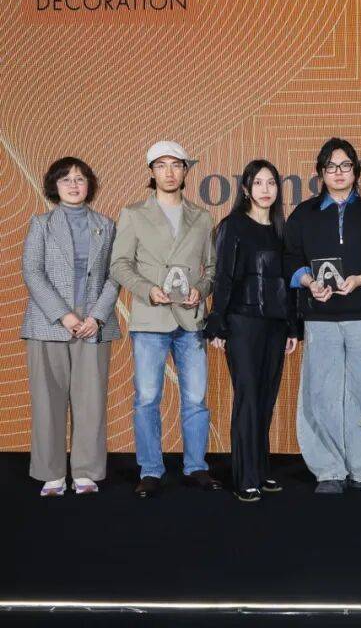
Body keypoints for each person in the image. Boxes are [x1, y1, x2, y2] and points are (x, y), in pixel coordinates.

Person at [283, 138, 361, 495]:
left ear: (356, 171)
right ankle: (328, 469)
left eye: (345, 165)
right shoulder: (303, 215)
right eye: (331, 166)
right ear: (320, 172)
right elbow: (290, 258)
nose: (338, 172)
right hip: (319, 317)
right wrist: (308, 282)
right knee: (321, 393)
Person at [111, 141, 220, 498]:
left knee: (196, 399)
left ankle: (196, 466)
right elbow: (119, 264)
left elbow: (213, 268)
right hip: (150, 319)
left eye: (176, 165)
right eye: (162, 165)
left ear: (186, 170)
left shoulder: (202, 217)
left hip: (190, 319)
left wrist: (200, 290)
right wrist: (147, 289)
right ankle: (150, 469)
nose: (170, 172)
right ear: (151, 171)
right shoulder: (133, 214)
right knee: (147, 398)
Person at [21, 157, 121, 497]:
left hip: (93, 325)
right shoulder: (41, 224)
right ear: (54, 186)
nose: (74, 185)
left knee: (91, 401)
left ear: (89, 184)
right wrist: (64, 315)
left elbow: (115, 275)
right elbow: (32, 272)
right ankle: (51, 473)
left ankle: (86, 472)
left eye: (80, 179)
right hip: (48, 324)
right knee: (47, 402)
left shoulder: (106, 225)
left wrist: (97, 316)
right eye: (66, 179)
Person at [206, 160, 300, 502]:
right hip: (242, 323)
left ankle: (260, 470)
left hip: (276, 325)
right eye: (258, 183)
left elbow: (290, 282)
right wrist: (217, 322)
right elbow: (223, 277)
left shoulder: (282, 230)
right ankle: (244, 477)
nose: (265, 189)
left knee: (266, 398)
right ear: (245, 189)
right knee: (247, 397)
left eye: (271, 183)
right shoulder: (233, 226)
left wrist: (293, 326)